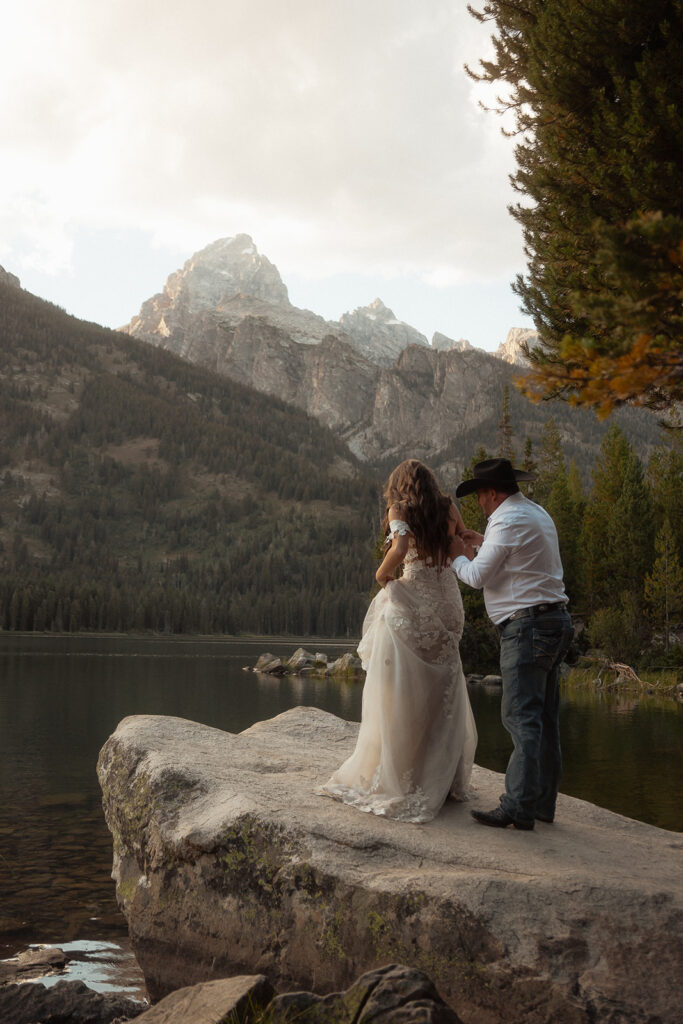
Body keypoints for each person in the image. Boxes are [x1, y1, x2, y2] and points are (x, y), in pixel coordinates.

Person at [318, 459, 477, 823]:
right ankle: (446, 778)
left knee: (403, 691)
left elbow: (401, 547)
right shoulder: (449, 506)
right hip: (450, 604)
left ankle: (403, 773)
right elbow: (462, 544)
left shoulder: (399, 509)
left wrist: (381, 572)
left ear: (400, 485)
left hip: (417, 600)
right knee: (445, 689)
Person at [450, 458, 573, 831]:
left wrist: (456, 552)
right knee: (544, 720)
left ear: (492, 493)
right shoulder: (534, 512)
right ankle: (540, 804)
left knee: (520, 719)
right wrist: (482, 542)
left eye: (480, 497)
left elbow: (475, 576)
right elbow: (517, 561)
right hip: (554, 621)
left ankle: (517, 807)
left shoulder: (505, 519)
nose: (479, 505)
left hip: (527, 627)